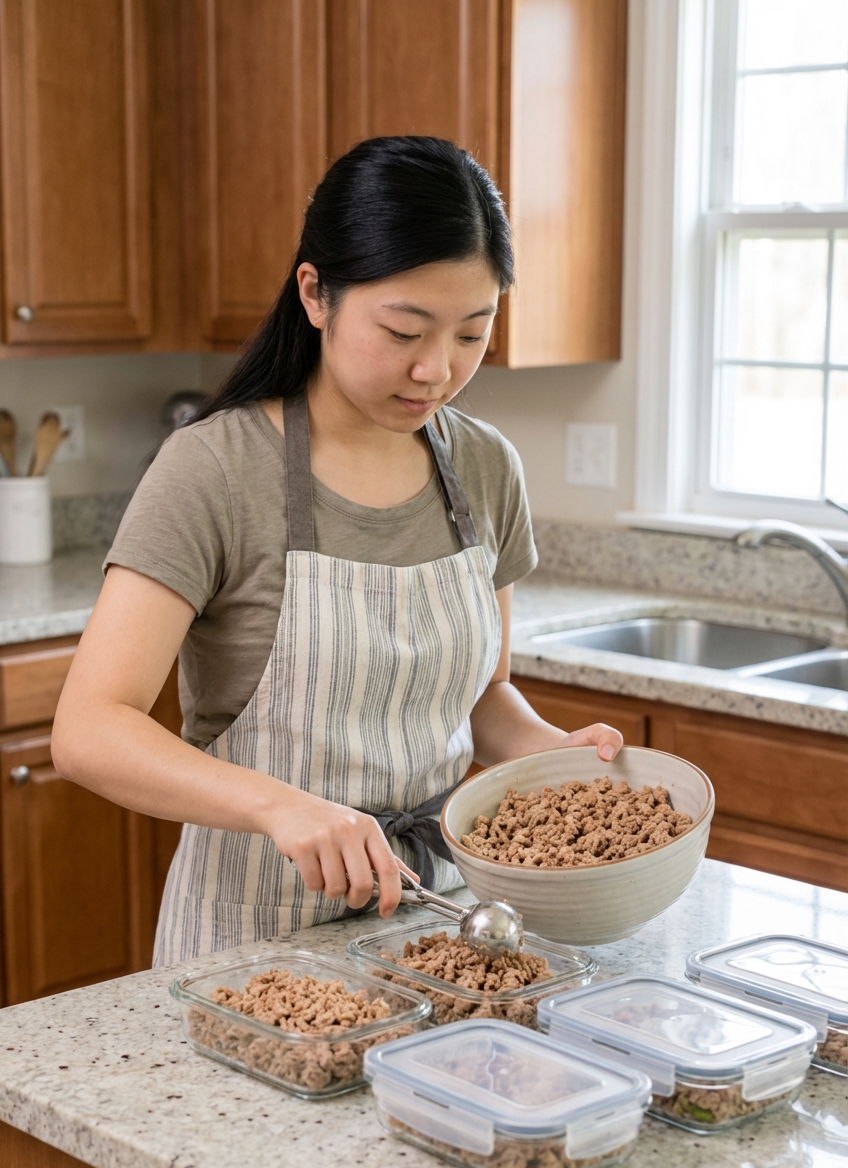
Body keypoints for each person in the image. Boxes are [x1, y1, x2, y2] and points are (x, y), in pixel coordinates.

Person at [52, 136, 623, 967]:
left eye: (472, 333)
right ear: (316, 295)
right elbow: (87, 729)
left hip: (439, 922)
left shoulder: (485, 467)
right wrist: (282, 808)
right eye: (403, 330)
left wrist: (553, 751)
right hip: (250, 938)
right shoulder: (215, 468)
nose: (436, 370)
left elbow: (484, 694)